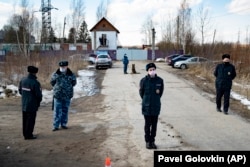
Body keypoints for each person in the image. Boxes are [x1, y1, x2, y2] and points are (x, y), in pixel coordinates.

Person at [139, 63, 164, 149]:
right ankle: (147, 142)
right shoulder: (143, 81)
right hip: (146, 107)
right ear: (147, 71)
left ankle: (152, 141)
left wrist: (155, 100)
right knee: (147, 125)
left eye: (153, 69)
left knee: (154, 125)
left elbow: (160, 93)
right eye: (150, 70)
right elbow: (141, 93)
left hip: (155, 107)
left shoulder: (160, 81)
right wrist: (146, 101)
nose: (152, 71)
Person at [50, 61, 77, 131]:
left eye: (64, 67)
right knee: (57, 111)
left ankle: (63, 124)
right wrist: (58, 88)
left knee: (65, 110)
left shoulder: (71, 74)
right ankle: (56, 125)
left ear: (67, 66)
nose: (62, 68)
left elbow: (74, 83)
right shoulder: (55, 74)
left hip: (67, 95)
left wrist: (67, 88)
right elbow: (52, 82)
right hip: (58, 95)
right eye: (61, 67)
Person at [18, 66, 42, 140]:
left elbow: (20, 91)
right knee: (31, 120)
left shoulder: (23, 80)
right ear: (35, 73)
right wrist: (38, 103)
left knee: (25, 120)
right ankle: (29, 135)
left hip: (24, 104)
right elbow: (38, 95)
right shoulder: (35, 82)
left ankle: (25, 134)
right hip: (32, 105)